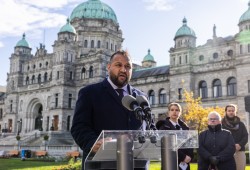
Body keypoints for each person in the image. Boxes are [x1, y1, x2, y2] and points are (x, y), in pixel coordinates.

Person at [71, 50, 153, 170]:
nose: (123, 70)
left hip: (137, 165)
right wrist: (92, 143)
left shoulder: (141, 97)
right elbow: (79, 127)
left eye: (128, 66)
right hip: (102, 164)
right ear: (108, 67)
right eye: (118, 65)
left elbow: (149, 126)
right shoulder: (89, 93)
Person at [156, 102, 193, 170]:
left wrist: (189, 156)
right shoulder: (163, 127)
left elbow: (189, 143)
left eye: (177, 110)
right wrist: (183, 157)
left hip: (185, 164)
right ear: (168, 112)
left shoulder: (185, 127)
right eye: (172, 110)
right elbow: (168, 145)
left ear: (180, 112)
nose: (174, 112)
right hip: (170, 162)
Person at [222, 104, 248, 170]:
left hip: (239, 151)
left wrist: (240, 144)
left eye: (233, 111)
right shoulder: (221, 124)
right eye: (229, 111)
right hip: (225, 152)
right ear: (226, 112)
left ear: (235, 112)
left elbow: (245, 136)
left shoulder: (241, 124)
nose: (231, 112)